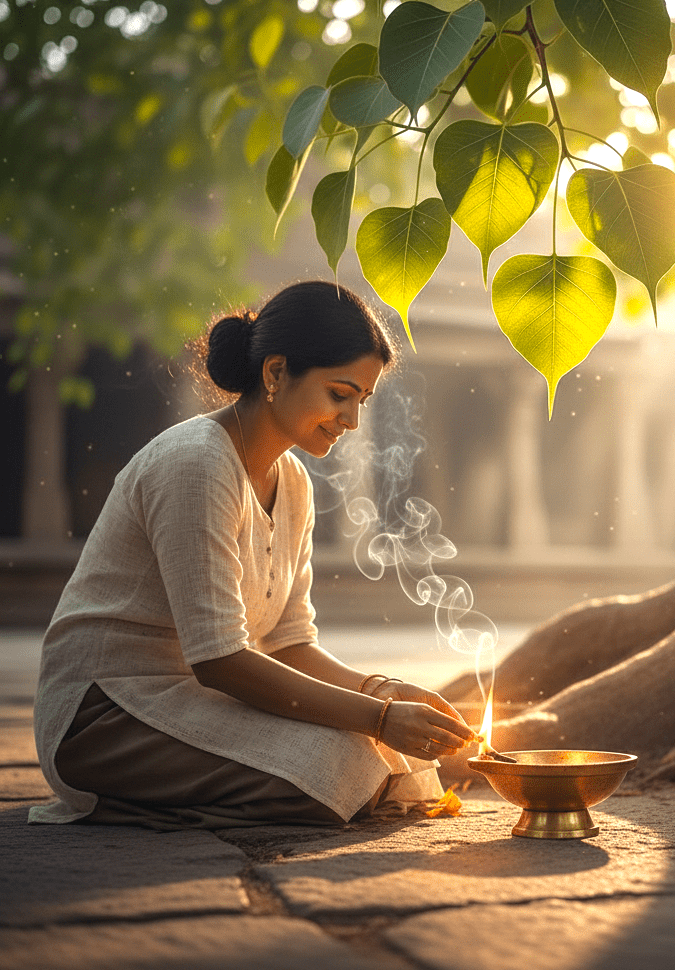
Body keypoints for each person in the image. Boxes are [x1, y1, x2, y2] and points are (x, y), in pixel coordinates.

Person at [30, 280, 476, 830]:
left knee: (390, 759)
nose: (352, 421)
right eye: (339, 394)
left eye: (361, 401)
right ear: (275, 373)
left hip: (192, 701)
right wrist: (379, 717)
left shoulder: (294, 482)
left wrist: (380, 692)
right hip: (106, 714)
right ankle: (121, 805)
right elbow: (219, 661)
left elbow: (290, 643)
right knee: (338, 765)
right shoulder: (196, 464)